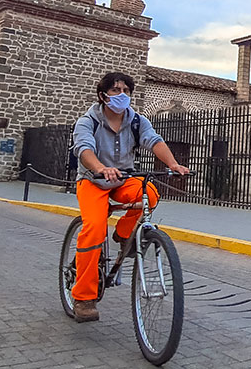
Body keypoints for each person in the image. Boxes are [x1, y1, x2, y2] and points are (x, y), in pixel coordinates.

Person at [70, 72, 189, 323]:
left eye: (126, 90)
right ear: (103, 95)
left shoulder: (136, 121)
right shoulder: (88, 121)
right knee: (93, 228)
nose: (122, 95)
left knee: (150, 194)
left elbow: (154, 141)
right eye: (115, 90)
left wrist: (174, 164)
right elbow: (84, 149)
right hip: (92, 181)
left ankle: (124, 234)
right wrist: (100, 168)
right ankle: (83, 297)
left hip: (122, 180)